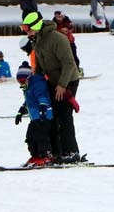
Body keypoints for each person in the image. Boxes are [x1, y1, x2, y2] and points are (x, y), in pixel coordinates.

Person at [22, 11, 81, 162]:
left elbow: (69, 64)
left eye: (28, 29)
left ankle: (71, 152)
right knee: (52, 116)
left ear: (36, 26)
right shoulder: (38, 40)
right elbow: (40, 66)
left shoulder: (57, 39)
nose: (26, 32)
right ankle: (56, 152)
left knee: (64, 115)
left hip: (67, 81)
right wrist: (36, 83)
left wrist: (62, 85)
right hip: (52, 82)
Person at [12, 62, 54, 167]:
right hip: (35, 118)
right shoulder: (27, 87)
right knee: (30, 137)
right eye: (19, 81)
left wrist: (43, 109)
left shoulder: (37, 84)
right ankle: (35, 155)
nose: (21, 84)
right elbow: (29, 101)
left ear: (29, 77)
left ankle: (46, 156)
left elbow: (42, 96)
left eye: (22, 81)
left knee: (41, 137)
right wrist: (21, 111)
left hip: (43, 117)